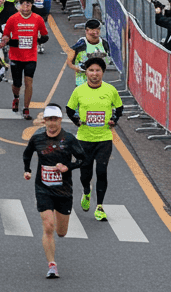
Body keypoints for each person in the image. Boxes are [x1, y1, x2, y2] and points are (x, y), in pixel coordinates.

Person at [22, 104, 85, 279]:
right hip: (43, 188)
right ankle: (52, 265)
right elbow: (27, 154)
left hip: (64, 190)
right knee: (48, 226)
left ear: (60, 120)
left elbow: (83, 159)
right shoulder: (37, 139)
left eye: (55, 119)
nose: (52, 123)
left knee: (61, 232)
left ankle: (60, 226)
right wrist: (27, 170)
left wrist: (68, 167)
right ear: (44, 121)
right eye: (49, 119)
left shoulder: (69, 139)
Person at [64, 56, 124, 221]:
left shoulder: (110, 90)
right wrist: (77, 121)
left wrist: (114, 121)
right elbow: (69, 109)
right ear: (86, 73)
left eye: (98, 70)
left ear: (103, 72)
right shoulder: (79, 91)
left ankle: (100, 207)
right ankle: (86, 191)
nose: (94, 74)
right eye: (91, 70)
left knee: (101, 171)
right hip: (84, 139)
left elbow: (119, 108)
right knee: (86, 173)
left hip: (104, 138)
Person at [2, 0, 49, 119]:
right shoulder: (13, 19)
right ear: (20, 5)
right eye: (23, 3)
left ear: (31, 5)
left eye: (28, 4)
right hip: (15, 56)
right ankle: (16, 98)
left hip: (31, 56)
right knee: (17, 83)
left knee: (29, 82)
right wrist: (10, 42)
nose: (26, 6)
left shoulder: (37, 19)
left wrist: (40, 40)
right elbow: (5, 35)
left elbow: (45, 35)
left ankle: (26, 108)